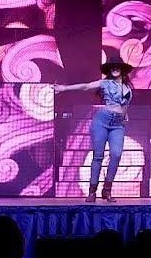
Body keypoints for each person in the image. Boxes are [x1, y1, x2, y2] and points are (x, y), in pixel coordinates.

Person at [53, 54, 134, 202]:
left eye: (117, 67)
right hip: (102, 121)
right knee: (98, 156)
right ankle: (92, 191)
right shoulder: (105, 83)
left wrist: (125, 116)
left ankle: (107, 190)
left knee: (116, 154)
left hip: (117, 125)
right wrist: (64, 88)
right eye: (112, 67)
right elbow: (85, 86)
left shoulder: (127, 88)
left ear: (122, 69)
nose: (115, 69)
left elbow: (124, 106)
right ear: (109, 70)